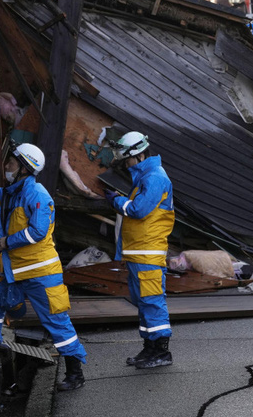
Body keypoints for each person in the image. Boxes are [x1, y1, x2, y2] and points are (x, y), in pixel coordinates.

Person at [0, 141, 87, 391]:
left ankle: (75, 373)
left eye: (11, 163)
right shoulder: (10, 194)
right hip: (18, 273)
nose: (6, 166)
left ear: (24, 169)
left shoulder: (37, 195)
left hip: (41, 274)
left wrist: (7, 241)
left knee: (57, 323)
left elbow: (38, 232)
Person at [105, 132, 175, 369]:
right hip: (140, 254)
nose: (125, 165)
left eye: (126, 160)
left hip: (148, 254)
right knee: (143, 302)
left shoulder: (154, 178)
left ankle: (162, 352)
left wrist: (116, 200)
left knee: (152, 301)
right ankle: (149, 348)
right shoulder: (146, 177)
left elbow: (138, 210)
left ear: (137, 155)